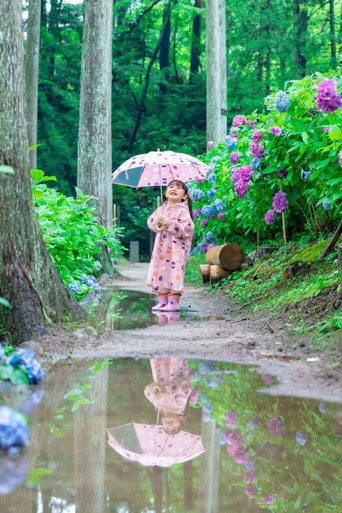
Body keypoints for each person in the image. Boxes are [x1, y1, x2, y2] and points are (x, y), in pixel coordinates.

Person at [146, 180, 194, 311]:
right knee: (161, 271)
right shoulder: (161, 209)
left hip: (176, 250)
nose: (174, 189)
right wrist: (158, 222)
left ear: (184, 196)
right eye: (171, 187)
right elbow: (152, 225)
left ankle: (174, 302)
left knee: (175, 272)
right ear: (166, 193)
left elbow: (186, 229)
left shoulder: (183, 211)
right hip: (161, 249)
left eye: (178, 188)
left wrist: (170, 223)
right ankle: (162, 301)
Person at [144, 357, 192, 435]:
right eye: (174, 427)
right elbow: (182, 385)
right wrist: (165, 394)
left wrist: (155, 391)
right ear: (181, 419)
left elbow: (147, 391)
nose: (170, 426)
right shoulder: (180, 405)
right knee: (173, 356)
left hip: (160, 371)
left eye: (166, 427)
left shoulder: (158, 405)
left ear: (162, 420)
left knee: (160, 356)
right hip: (175, 370)